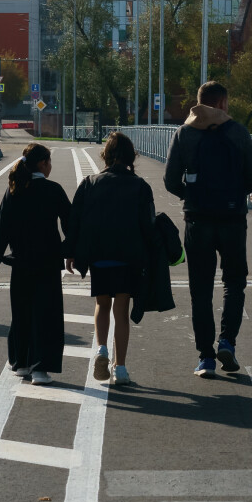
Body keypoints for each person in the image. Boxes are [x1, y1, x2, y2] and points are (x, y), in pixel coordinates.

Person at [164, 80, 252, 378]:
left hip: (198, 219)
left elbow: (170, 181)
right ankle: (227, 342)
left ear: (198, 102)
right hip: (232, 219)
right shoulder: (237, 132)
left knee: (200, 290)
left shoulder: (184, 133)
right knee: (234, 282)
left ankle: (205, 357)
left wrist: (192, 195)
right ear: (222, 103)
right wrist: (233, 194)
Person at [71, 131, 157, 386]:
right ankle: (120, 368)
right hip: (128, 256)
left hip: (99, 255)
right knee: (121, 310)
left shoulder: (90, 183)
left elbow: (75, 220)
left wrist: (71, 252)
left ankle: (101, 349)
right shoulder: (140, 186)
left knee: (102, 304)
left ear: (106, 155)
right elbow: (148, 224)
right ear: (131, 156)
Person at [0, 142, 72, 385]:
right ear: (43, 164)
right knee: (46, 314)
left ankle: (21, 363)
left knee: (22, 312)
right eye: (49, 162)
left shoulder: (15, 190)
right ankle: (40, 369)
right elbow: (70, 222)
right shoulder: (53, 190)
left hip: (21, 262)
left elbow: (1, 226)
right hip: (47, 262)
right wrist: (70, 252)